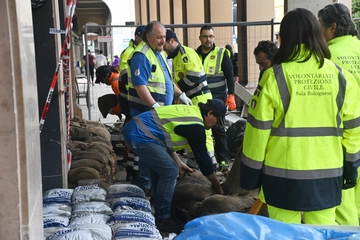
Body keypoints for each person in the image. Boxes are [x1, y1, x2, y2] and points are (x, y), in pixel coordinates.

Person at [240, 8, 360, 225]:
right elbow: (353, 130)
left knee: (285, 233)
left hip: (282, 177)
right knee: (323, 231)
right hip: (327, 176)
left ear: (285, 37)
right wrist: (351, 167)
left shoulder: (273, 77)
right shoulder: (342, 77)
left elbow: (257, 132)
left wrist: (250, 174)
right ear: (316, 33)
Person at [122, 99, 225, 233]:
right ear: (210, 113)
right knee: (170, 171)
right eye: (217, 121)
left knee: (161, 168)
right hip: (140, 136)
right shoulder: (196, 125)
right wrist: (217, 184)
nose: (215, 126)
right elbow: (203, 160)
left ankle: (157, 201)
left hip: (138, 131)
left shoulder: (191, 112)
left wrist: (179, 162)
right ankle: (163, 218)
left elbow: (164, 134)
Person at [127, 21, 192, 192]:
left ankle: (153, 189)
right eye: (159, 37)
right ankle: (147, 188)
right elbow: (140, 85)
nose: (163, 40)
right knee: (150, 154)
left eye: (164, 37)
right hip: (146, 114)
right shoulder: (141, 56)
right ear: (148, 37)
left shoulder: (159, 53)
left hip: (159, 114)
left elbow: (168, 80)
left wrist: (180, 94)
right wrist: (154, 105)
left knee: (158, 151)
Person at [318, 3, 360, 226]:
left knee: (344, 202)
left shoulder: (326, 57)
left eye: (320, 27)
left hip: (345, 137)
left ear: (332, 28)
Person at [164, 29, 217, 169]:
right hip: (193, 99)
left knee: (203, 133)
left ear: (171, 41)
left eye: (164, 43)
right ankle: (196, 165)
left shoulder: (184, 53)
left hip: (200, 99)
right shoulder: (176, 56)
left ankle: (209, 164)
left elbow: (194, 75)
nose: (163, 47)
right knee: (194, 133)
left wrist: (179, 90)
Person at [196, 25, 235, 170]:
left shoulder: (221, 53)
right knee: (201, 130)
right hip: (201, 100)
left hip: (218, 98)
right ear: (200, 38)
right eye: (205, 36)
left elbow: (230, 76)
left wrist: (231, 95)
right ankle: (204, 159)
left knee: (219, 129)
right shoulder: (195, 55)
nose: (208, 39)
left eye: (211, 36)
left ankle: (223, 160)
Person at [119, 25, 145, 181]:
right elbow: (126, 78)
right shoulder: (130, 54)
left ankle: (132, 170)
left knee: (136, 134)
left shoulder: (137, 53)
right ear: (137, 37)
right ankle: (134, 173)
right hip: (132, 99)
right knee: (138, 135)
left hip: (133, 98)